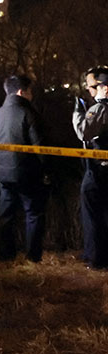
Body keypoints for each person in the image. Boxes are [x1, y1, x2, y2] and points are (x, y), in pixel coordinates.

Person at [0, 75, 49, 263]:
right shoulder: (29, 114)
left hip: (4, 175)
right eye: (30, 91)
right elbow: (39, 147)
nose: (32, 95)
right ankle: (33, 257)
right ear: (22, 92)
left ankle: (5, 256)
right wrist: (46, 170)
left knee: (5, 216)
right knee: (33, 214)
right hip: (29, 174)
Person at [74, 66, 108, 269]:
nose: (90, 90)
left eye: (93, 87)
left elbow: (83, 132)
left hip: (98, 169)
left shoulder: (100, 108)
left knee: (92, 212)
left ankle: (94, 258)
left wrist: (78, 112)